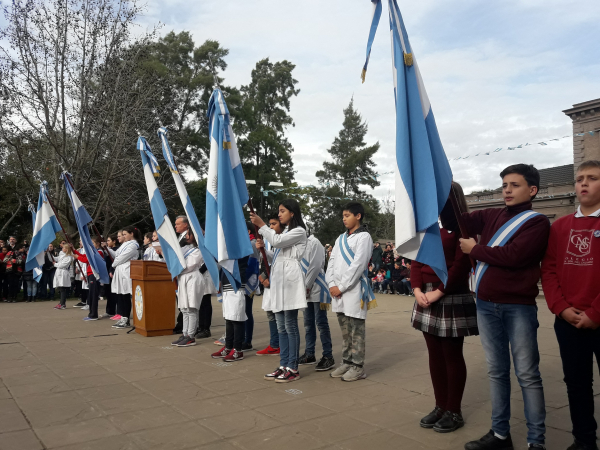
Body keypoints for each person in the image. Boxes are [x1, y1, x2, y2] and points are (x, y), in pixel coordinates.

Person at [460, 164, 549, 450]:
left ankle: (536, 442)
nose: (507, 190)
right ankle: (500, 435)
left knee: (527, 375)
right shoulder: (492, 214)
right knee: (497, 372)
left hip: (518, 308)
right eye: (504, 185)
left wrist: (475, 250)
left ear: (531, 190)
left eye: (514, 185)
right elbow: (457, 221)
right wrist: (443, 191)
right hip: (486, 305)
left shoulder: (537, 222)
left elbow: (514, 256)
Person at [541, 160, 600, 450]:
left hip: (598, 318)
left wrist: (595, 313)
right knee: (577, 386)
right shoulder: (561, 226)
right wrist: (560, 307)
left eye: (592, 178)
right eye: (579, 179)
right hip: (568, 321)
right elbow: (549, 270)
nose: (584, 183)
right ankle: (584, 441)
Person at [411, 182, 478, 433]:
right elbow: (417, 262)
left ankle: (454, 409)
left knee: (451, 355)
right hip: (426, 295)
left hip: (449, 294)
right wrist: (417, 290)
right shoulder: (431, 229)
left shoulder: (464, 228)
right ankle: (440, 406)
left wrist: (439, 291)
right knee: (435, 356)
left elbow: (461, 266)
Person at [250, 199, 308, 383]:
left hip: (290, 280)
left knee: (290, 326)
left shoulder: (299, 231)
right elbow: (277, 254)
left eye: (283, 211)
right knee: (281, 326)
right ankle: (283, 364)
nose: (280, 214)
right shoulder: (287, 233)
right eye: (279, 211)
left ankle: (293, 367)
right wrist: (263, 251)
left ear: (292, 213)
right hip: (280, 279)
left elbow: (277, 241)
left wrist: (262, 225)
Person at [326, 202, 375, 382]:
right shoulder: (340, 239)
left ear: (358, 216)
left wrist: (342, 286)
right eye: (343, 216)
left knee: (356, 329)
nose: (344, 219)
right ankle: (346, 361)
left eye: (347, 215)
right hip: (337, 290)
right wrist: (331, 284)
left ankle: (358, 366)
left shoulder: (364, 237)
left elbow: (359, 265)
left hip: (353, 289)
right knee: (345, 329)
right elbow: (331, 263)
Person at [298, 230, 335, 371]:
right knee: (308, 324)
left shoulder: (315, 243)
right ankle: (310, 353)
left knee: (321, 323)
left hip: (317, 288)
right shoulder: (300, 244)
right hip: (305, 289)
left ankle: (328, 356)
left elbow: (315, 266)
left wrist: (306, 286)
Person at [171, 232, 205, 347]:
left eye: (189, 235)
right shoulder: (186, 248)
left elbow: (189, 265)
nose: (186, 237)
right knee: (184, 309)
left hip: (192, 277)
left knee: (191, 308)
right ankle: (185, 334)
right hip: (183, 278)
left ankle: (191, 336)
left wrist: (177, 269)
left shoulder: (199, 249)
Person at [256, 213, 282, 357]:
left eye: (274, 224)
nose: (271, 227)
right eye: (270, 224)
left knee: (280, 317)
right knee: (271, 314)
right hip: (269, 280)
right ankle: (274, 344)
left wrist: (268, 277)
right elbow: (272, 257)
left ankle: (280, 345)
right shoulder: (270, 240)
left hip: (279, 282)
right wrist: (263, 250)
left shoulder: (285, 238)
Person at [107, 226, 140, 329]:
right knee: (120, 295)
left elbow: (121, 258)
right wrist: (107, 249)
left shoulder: (134, 245)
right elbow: (116, 254)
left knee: (125, 295)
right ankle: (122, 317)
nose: (123, 236)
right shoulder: (125, 244)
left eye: (125, 234)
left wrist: (113, 264)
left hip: (126, 271)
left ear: (132, 234)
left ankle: (126, 319)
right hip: (120, 270)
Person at [73, 237, 105, 321]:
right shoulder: (94, 251)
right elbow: (84, 255)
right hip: (90, 274)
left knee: (93, 295)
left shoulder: (99, 252)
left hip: (94, 275)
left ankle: (94, 314)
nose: (91, 245)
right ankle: (91, 313)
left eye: (93, 244)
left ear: (98, 244)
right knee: (91, 294)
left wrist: (77, 257)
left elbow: (86, 259)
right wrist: (75, 250)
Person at [53, 243, 74, 309]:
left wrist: (55, 264)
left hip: (63, 272)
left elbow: (62, 265)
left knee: (63, 288)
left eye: (64, 248)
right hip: (59, 272)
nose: (62, 248)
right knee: (61, 288)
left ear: (67, 249)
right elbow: (57, 259)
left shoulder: (69, 257)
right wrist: (50, 255)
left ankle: (62, 303)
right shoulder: (62, 254)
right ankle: (61, 302)